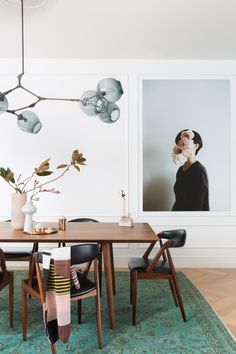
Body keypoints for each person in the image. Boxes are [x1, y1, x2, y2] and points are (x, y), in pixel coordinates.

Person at [172, 129, 209, 211]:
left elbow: (198, 206)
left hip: (191, 221)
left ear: (196, 146)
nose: (181, 145)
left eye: (185, 142)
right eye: (179, 143)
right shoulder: (180, 170)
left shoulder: (199, 171)